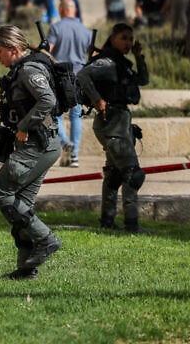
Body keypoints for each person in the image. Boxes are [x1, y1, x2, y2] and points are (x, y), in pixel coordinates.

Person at [0, 25, 63, 280]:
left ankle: (47, 239)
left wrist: (23, 125)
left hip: (37, 146)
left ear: (13, 49)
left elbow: (48, 100)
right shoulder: (21, 69)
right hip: (41, 146)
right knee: (22, 205)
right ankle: (26, 268)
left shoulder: (29, 70)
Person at [76, 23, 150, 233]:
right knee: (132, 174)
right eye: (123, 38)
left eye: (130, 38)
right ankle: (132, 225)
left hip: (120, 122)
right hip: (111, 123)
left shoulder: (121, 64)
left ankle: (107, 221)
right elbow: (82, 76)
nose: (128, 42)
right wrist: (97, 99)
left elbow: (143, 80)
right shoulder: (107, 62)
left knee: (115, 175)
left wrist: (138, 56)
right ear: (113, 38)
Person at [46, 0, 93, 167]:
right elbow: (92, 55)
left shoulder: (56, 28)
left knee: (55, 114)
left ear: (62, 9)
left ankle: (65, 141)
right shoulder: (85, 30)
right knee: (76, 115)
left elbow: (48, 49)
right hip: (80, 76)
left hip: (60, 76)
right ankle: (74, 156)